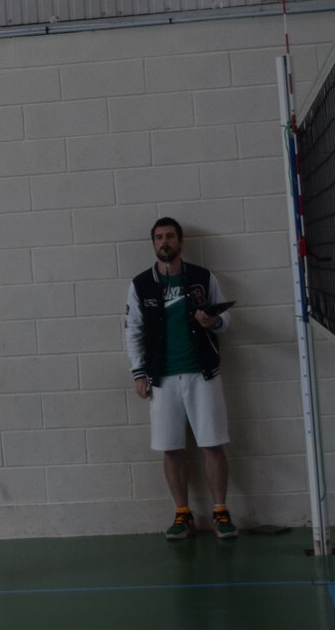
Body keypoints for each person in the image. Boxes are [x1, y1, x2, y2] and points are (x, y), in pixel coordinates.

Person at [125, 216, 237, 540]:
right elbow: (133, 331)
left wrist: (213, 322)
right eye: (159, 237)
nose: (165, 242)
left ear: (181, 242)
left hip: (203, 374)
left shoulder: (203, 277)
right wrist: (138, 373)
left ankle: (220, 511)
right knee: (170, 448)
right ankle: (182, 513)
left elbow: (226, 319)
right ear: (153, 244)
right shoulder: (140, 284)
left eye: (170, 236)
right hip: (162, 378)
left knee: (212, 443)